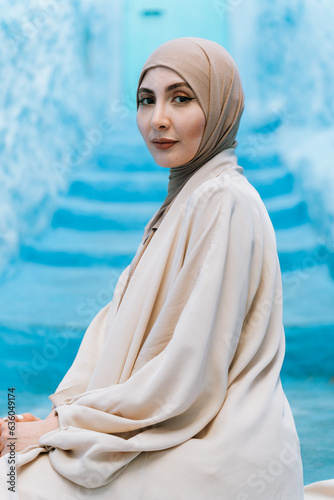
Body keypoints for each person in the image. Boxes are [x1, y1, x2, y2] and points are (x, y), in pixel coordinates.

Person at [0, 37, 332, 499]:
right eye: (145, 100)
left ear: (219, 108)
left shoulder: (224, 201)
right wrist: (59, 418)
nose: (157, 119)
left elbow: (189, 370)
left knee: (11, 486)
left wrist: (63, 427)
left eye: (181, 98)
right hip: (171, 427)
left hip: (214, 448)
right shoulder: (185, 200)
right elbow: (116, 333)